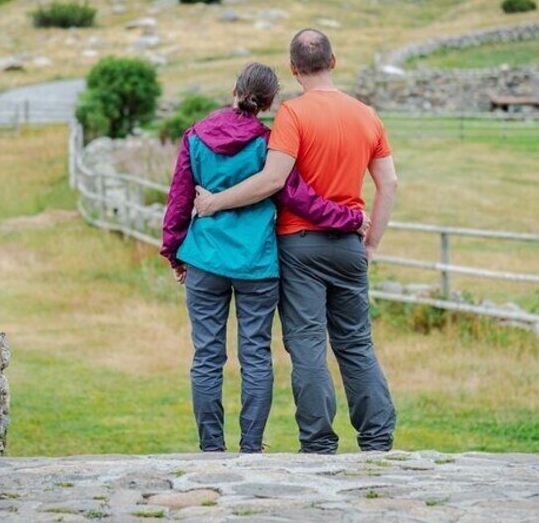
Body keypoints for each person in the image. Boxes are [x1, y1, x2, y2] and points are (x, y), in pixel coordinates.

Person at [194, 30, 399, 454]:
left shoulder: (293, 114)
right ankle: (377, 439)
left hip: (299, 244)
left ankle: (319, 443)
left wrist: (214, 203)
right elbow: (389, 183)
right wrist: (372, 242)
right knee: (356, 342)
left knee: (307, 343)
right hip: (348, 244)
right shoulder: (367, 115)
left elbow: (272, 180)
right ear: (334, 61)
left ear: (292, 69)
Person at [160, 62, 368, 453]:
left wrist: (174, 252)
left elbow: (178, 202)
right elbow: (299, 199)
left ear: (234, 90)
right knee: (255, 354)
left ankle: (211, 448)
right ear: (269, 103)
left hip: (205, 260)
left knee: (207, 354)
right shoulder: (268, 145)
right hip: (256, 265)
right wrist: (351, 218)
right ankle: (251, 448)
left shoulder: (195, 138)